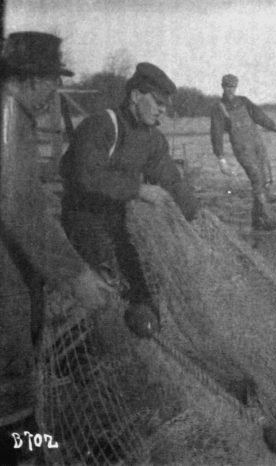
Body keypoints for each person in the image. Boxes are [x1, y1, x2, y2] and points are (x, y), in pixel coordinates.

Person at [0, 31, 113, 464]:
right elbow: (21, 209)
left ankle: (38, 451)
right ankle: (33, 455)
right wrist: (75, 276)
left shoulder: (15, 119)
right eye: (52, 80)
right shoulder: (8, 119)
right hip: (5, 289)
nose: (56, 91)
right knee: (12, 397)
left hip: (13, 279)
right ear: (28, 79)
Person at [59, 62, 199, 339]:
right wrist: (138, 190)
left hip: (117, 222)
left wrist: (195, 213)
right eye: (157, 102)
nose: (162, 110)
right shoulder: (101, 124)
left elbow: (170, 179)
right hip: (82, 218)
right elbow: (84, 175)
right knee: (107, 285)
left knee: (141, 289)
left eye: (165, 105)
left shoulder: (153, 139)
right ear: (136, 95)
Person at [210, 74, 276, 231]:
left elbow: (259, 116)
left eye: (233, 86)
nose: (230, 89)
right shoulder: (219, 108)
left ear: (236, 87)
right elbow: (216, 133)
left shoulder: (244, 101)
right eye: (227, 86)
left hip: (258, 145)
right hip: (242, 148)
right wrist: (221, 159)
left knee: (265, 180)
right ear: (222, 86)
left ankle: (257, 221)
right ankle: (267, 218)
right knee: (257, 179)